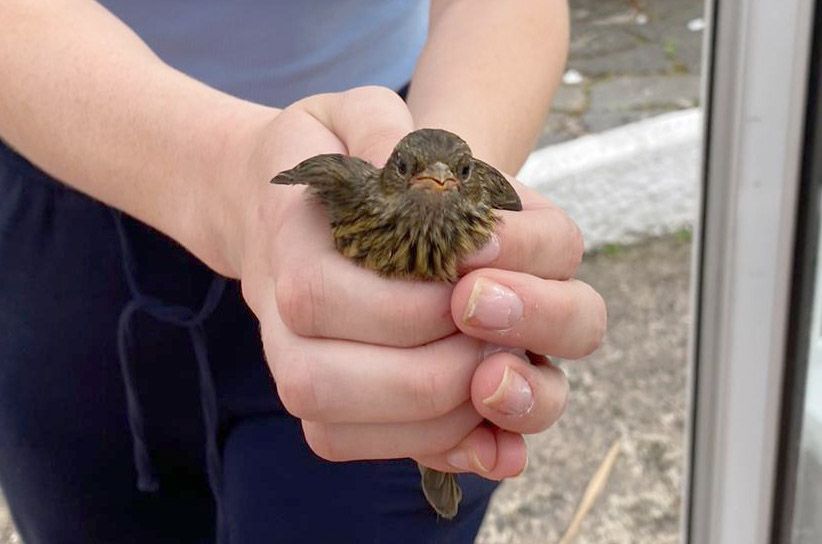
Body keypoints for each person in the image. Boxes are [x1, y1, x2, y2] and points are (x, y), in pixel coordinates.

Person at [0, 1, 606, 542]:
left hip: (395, 195)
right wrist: (233, 180)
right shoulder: (345, 186)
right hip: (71, 187)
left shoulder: (445, 184)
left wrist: (472, 224)